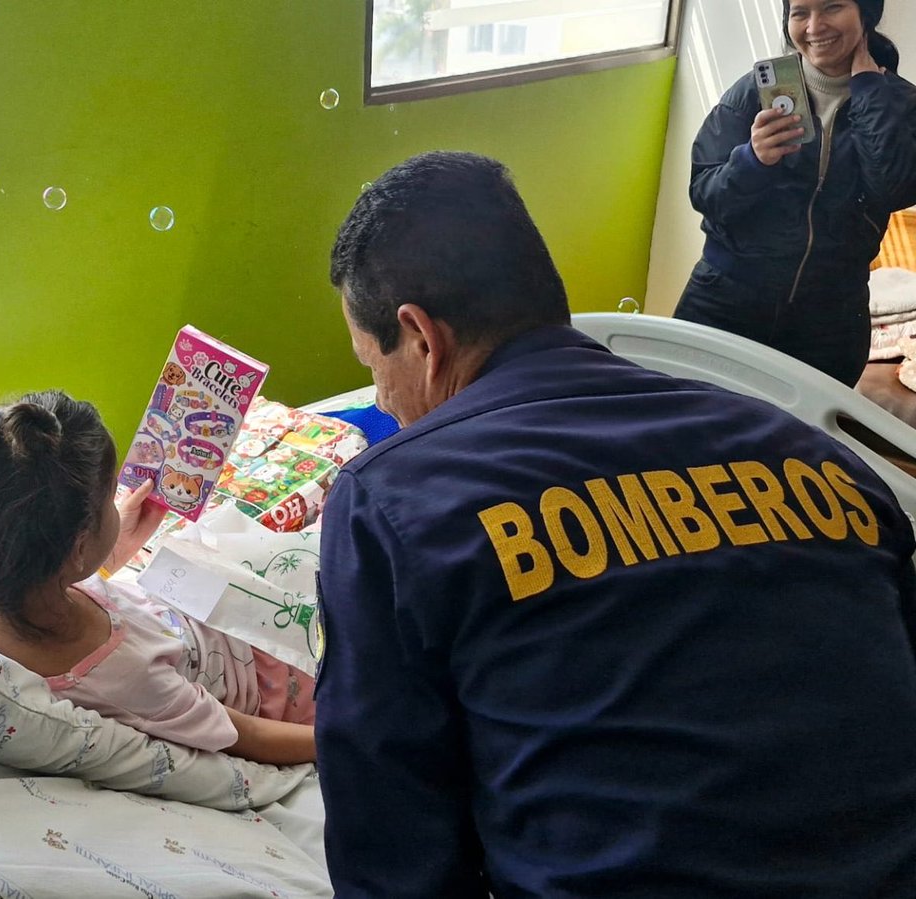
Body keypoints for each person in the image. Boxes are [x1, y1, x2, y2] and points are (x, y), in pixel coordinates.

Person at [314, 150, 916, 897]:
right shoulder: (816, 456)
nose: (386, 403)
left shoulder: (397, 495)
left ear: (421, 336)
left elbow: (392, 848)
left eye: (374, 370)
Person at [0, 389, 316, 765]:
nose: (118, 504)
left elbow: (41, 578)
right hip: (269, 675)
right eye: (110, 497)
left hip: (187, 606)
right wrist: (353, 736)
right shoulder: (125, 677)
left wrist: (114, 548)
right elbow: (249, 737)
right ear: (77, 548)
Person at [674, 0, 916, 387]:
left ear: (865, 13)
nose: (814, 25)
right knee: (687, 426)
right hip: (724, 300)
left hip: (830, 320)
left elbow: (893, 188)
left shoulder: (899, 101)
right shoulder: (753, 92)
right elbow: (705, 192)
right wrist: (752, 162)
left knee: (803, 444)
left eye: (832, 7)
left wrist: (869, 90)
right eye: (800, 12)